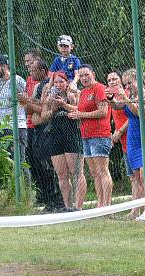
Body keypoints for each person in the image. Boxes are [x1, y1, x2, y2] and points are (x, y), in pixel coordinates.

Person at [110, 69, 145, 220]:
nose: (128, 86)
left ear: (138, 80)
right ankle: (143, 209)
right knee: (137, 176)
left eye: (130, 83)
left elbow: (139, 113)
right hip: (132, 139)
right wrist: (111, 99)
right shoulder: (129, 95)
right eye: (126, 84)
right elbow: (119, 107)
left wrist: (127, 99)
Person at [20, 59, 63, 212]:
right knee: (40, 167)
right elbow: (30, 112)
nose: (30, 73)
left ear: (43, 71)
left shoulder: (49, 86)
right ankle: (47, 199)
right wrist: (28, 105)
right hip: (37, 131)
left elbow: (46, 111)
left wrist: (30, 104)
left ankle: (57, 201)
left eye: (33, 70)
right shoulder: (37, 86)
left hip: (49, 131)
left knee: (50, 168)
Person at [40, 71, 86, 210]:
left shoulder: (73, 94)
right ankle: (67, 206)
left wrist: (65, 105)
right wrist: (53, 109)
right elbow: (43, 116)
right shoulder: (51, 98)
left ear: (67, 83)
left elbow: (80, 110)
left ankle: (78, 207)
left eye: (61, 82)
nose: (58, 85)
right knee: (61, 174)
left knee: (77, 172)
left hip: (71, 133)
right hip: (55, 134)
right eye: (56, 82)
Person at [69, 65, 112, 208]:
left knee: (102, 171)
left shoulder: (99, 88)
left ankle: (107, 205)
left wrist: (81, 115)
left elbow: (103, 111)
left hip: (99, 135)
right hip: (86, 136)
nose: (84, 78)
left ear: (93, 74)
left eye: (86, 75)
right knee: (94, 173)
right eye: (81, 76)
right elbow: (81, 110)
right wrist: (66, 106)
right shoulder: (83, 92)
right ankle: (100, 205)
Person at [0, 54, 28, 163]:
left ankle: (24, 180)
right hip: (1, 126)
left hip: (17, 126)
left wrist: (23, 99)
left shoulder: (17, 80)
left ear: (5, 66)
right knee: (5, 162)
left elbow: (28, 97)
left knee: (19, 161)